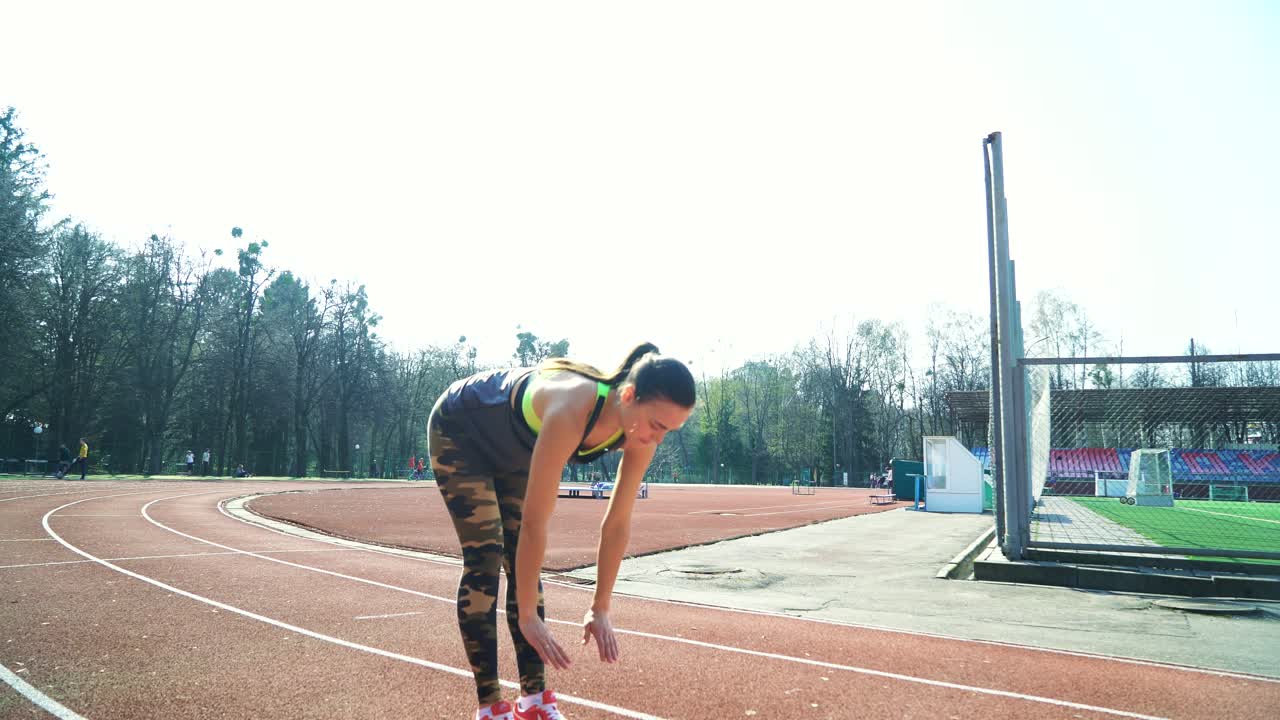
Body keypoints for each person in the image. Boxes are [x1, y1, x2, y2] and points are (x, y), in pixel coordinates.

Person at [428, 343, 695, 720]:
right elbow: (537, 523)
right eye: (657, 425)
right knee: (486, 556)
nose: (659, 438)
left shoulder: (641, 433)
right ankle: (489, 705)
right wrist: (526, 617)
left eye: (671, 430)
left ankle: (533, 701)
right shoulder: (572, 408)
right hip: (462, 430)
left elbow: (617, 522)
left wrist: (600, 607)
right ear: (630, 396)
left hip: (515, 451)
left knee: (524, 563)